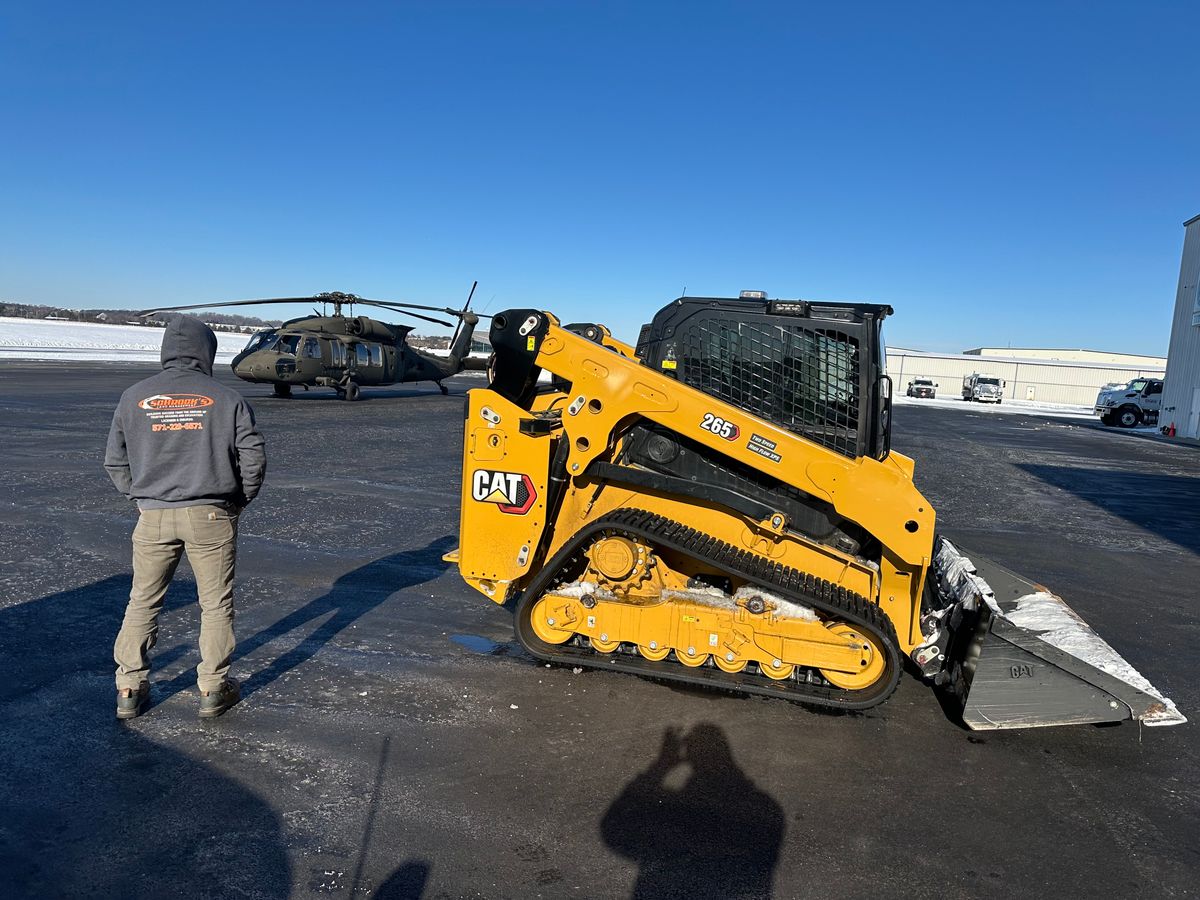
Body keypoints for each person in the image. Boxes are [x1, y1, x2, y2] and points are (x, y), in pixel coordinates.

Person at [104, 316, 266, 719]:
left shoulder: (133, 397)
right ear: (206, 351)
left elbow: (114, 461)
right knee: (215, 605)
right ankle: (213, 690)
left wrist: (141, 498)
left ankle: (129, 686)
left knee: (142, 601)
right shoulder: (226, 398)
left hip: (152, 517)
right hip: (211, 515)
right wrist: (237, 501)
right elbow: (253, 457)